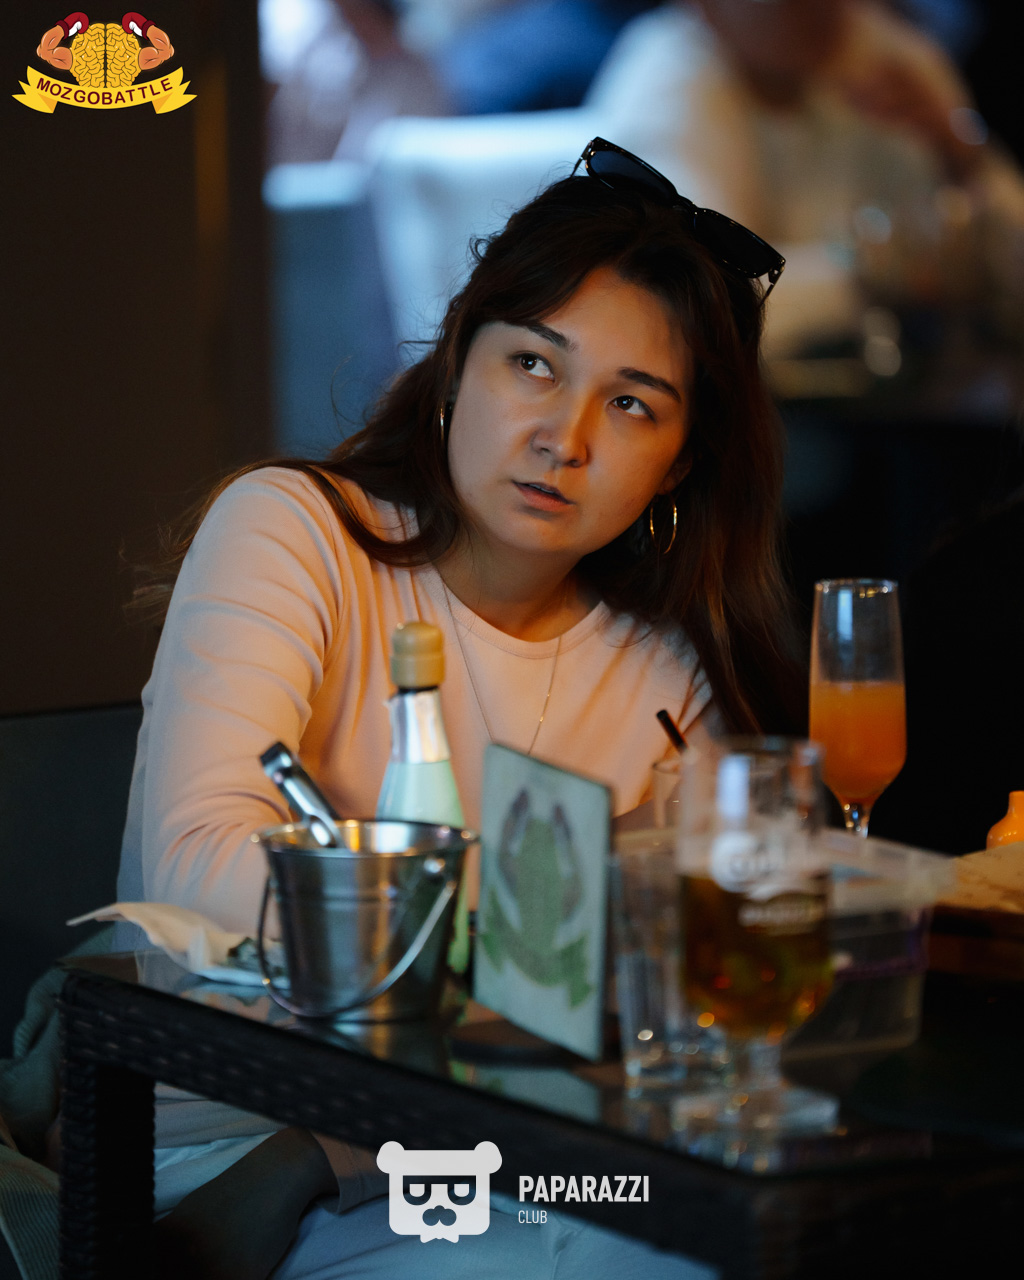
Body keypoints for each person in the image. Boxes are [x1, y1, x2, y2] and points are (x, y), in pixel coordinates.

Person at [118, 138, 801, 1278]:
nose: (563, 438)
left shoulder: (666, 672)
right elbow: (197, 865)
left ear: (679, 465)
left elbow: (699, 985)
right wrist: (549, 944)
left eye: (631, 404)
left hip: (525, 1148)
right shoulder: (297, 533)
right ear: (455, 364)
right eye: (533, 363)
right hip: (236, 1146)